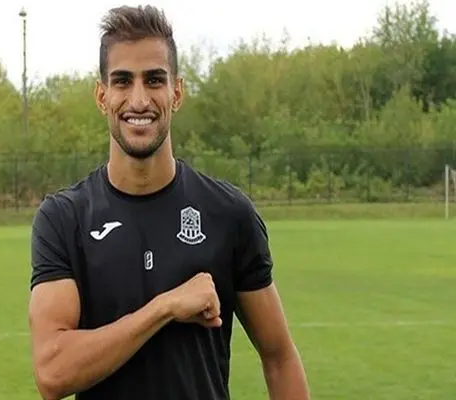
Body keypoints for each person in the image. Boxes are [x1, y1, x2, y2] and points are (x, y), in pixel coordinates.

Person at [28, 5, 310, 400]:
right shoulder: (64, 218)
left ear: (176, 92)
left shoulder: (229, 214)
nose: (139, 100)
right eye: (122, 81)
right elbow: (53, 372)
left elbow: (279, 357)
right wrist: (164, 308)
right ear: (102, 96)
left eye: (154, 80)